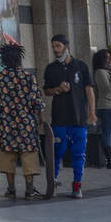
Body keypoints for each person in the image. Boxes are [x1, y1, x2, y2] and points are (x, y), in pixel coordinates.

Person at [0, 41, 46, 199]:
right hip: (26, 124)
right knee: (28, 155)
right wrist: (40, 121)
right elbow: (37, 103)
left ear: (3, 60)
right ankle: (29, 190)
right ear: (19, 59)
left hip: (6, 124)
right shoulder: (28, 78)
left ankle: (11, 189)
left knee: (7, 155)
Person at [43, 33, 96, 199]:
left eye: (58, 46)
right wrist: (57, 89)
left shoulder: (81, 66)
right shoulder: (51, 68)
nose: (55, 50)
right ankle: (54, 183)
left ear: (66, 46)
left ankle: (77, 184)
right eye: (53, 47)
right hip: (59, 119)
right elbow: (46, 91)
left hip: (78, 119)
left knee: (78, 153)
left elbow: (89, 90)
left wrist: (92, 113)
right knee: (57, 151)